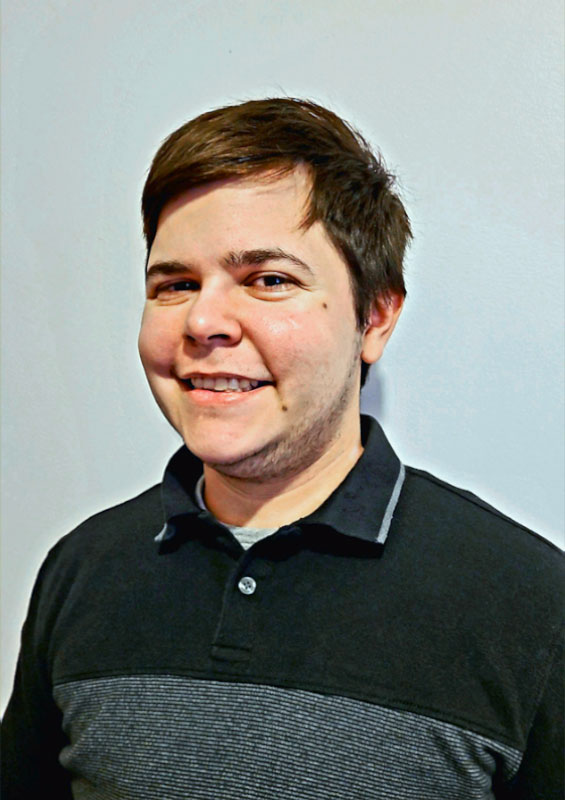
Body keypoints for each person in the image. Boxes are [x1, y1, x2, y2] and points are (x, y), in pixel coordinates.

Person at [2, 98, 563, 800]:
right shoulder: (82, 569)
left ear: (375, 316)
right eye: (175, 284)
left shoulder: (530, 602)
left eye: (268, 280)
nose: (204, 320)